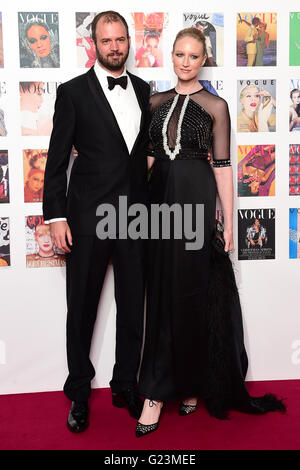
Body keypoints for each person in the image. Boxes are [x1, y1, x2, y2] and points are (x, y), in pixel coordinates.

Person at [136, 27, 285, 437]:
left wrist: (229, 221)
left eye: (194, 56)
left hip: (197, 201)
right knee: (162, 293)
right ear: (172, 57)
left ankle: (191, 384)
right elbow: (147, 160)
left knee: (192, 294)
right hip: (158, 204)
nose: (186, 62)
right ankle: (155, 391)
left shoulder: (217, 106)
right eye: (180, 55)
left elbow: (222, 168)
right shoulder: (154, 103)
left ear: (204, 59)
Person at [43, 11, 150, 433]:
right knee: (82, 309)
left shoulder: (144, 90)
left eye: (120, 39)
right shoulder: (72, 93)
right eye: (106, 40)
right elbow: (55, 162)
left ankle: (126, 383)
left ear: (129, 41)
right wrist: (56, 215)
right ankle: (80, 393)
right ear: (94, 44)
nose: (114, 47)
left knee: (133, 305)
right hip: (87, 216)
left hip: (137, 216)